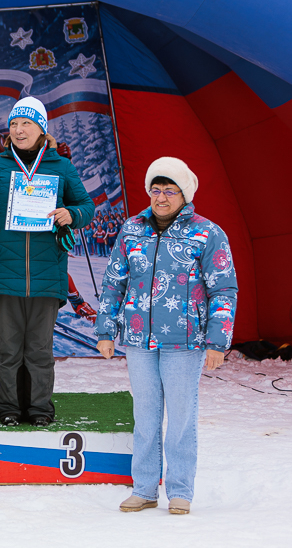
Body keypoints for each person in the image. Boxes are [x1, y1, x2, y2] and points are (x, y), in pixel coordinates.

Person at [95, 157, 237, 516]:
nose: (161, 197)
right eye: (155, 190)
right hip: (139, 341)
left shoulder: (207, 233)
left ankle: (180, 491)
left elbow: (223, 289)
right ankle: (144, 489)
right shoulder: (131, 230)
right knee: (145, 416)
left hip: (184, 342)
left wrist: (217, 342)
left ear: (184, 194)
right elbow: (113, 282)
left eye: (169, 191)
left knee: (181, 418)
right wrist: (106, 330)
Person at [0, 97, 94, 426]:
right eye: (14, 124)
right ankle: (9, 408)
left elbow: (86, 207)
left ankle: (40, 409)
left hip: (47, 271)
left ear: (41, 129)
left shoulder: (61, 167)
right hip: (5, 269)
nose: (18, 130)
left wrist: (71, 214)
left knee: (40, 349)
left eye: (26, 124)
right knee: (10, 348)